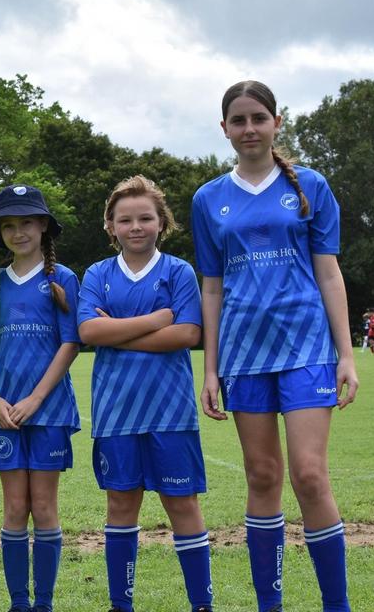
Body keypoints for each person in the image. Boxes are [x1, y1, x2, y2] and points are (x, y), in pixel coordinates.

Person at [194, 80, 358, 612]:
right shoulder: (208, 199)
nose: (248, 129)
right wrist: (211, 369)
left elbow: (329, 275)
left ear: (276, 122)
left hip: (307, 348)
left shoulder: (310, 184)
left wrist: (347, 354)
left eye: (258, 118)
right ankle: (271, 605)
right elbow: (212, 288)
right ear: (224, 129)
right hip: (243, 355)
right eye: (238, 121)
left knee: (310, 474)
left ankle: (338, 605)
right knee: (262, 475)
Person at [78, 175, 214, 612]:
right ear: (110, 226)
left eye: (145, 218)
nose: (135, 226)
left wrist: (116, 334)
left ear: (161, 222)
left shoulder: (178, 271)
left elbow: (188, 333)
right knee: (120, 504)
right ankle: (122, 605)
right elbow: (88, 330)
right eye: (125, 219)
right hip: (116, 412)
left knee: (183, 505)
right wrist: (158, 319)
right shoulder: (98, 273)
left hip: (171, 412)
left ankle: (201, 605)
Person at [0, 184, 80, 612]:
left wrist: (37, 398)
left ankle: (44, 603)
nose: (18, 232)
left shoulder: (64, 279)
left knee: (43, 506)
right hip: (4, 412)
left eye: (26, 223)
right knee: (14, 507)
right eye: (9, 226)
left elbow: (70, 343)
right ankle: (18, 602)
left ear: (43, 226)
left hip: (50, 410)